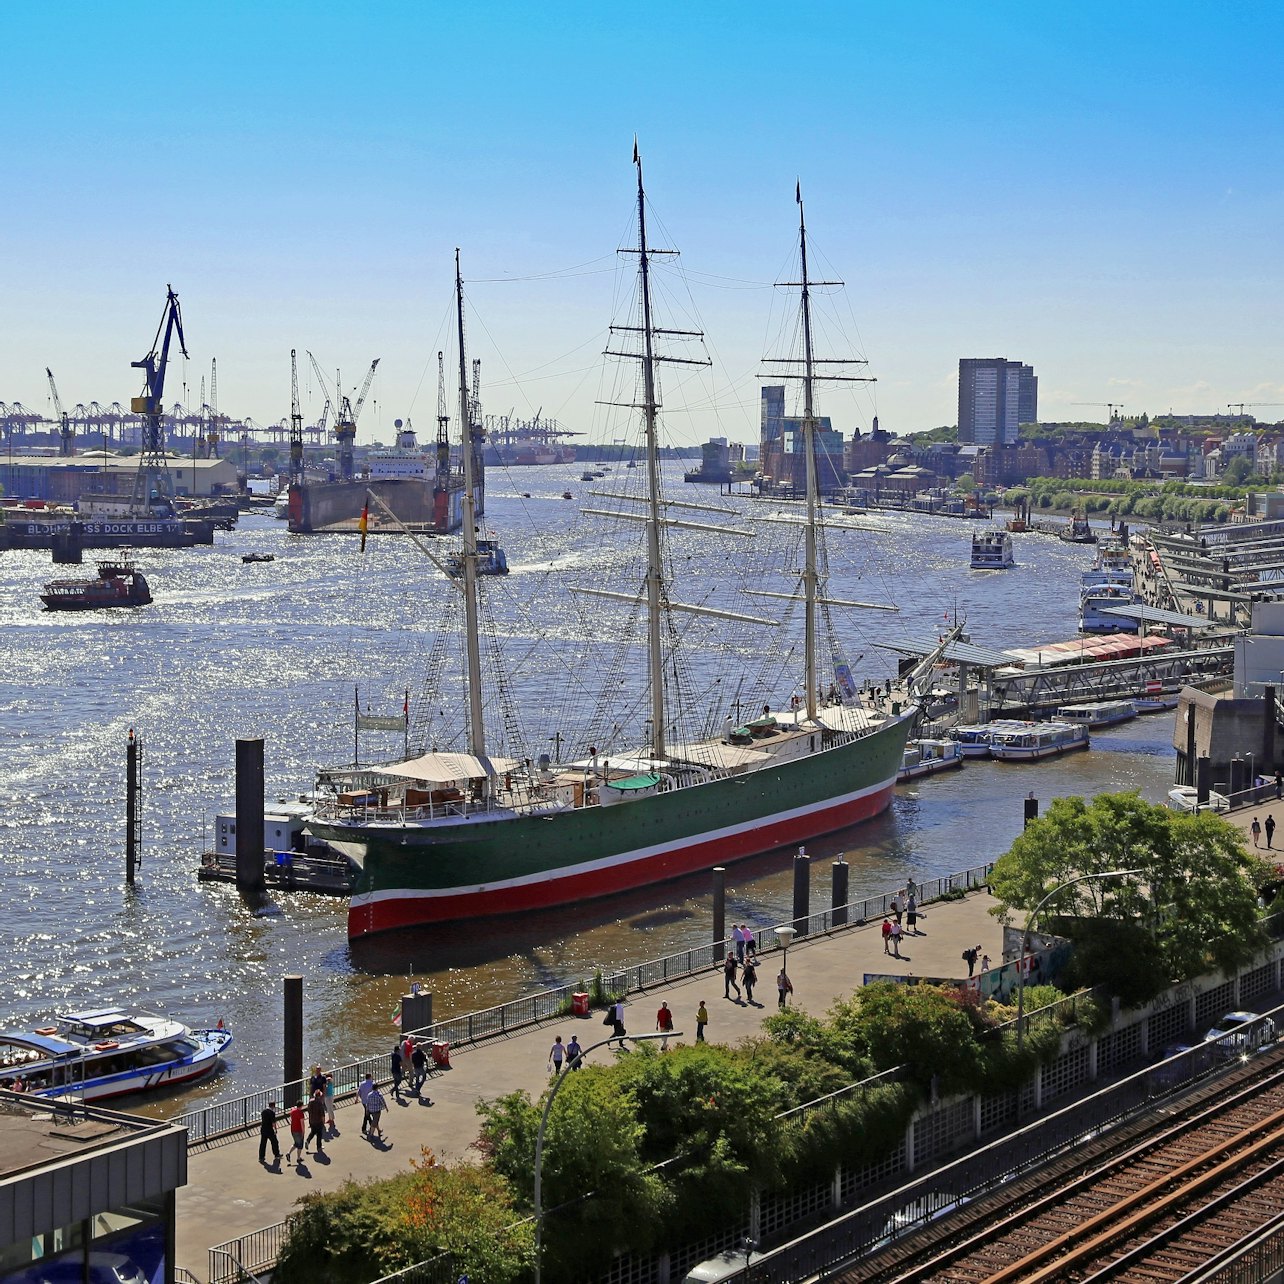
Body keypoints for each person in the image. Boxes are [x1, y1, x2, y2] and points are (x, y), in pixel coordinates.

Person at [258, 1100, 281, 1165]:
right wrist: (275, 1129)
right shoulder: (272, 1113)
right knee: (274, 1142)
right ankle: (276, 1154)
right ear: (273, 1106)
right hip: (269, 1129)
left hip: (263, 1129)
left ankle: (261, 1156)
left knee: (263, 1143)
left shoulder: (263, 1111)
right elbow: (273, 1123)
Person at [306, 1088, 326, 1155]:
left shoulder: (311, 1101)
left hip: (312, 1120)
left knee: (313, 1132)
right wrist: (323, 1122)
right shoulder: (320, 1103)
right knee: (319, 1134)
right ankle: (319, 1147)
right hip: (318, 1121)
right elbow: (322, 1114)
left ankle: (308, 1140)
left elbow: (308, 1110)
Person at [286, 1099, 306, 1165]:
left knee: (296, 1143)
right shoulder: (301, 1113)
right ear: (301, 1106)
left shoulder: (292, 1111)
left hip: (293, 1129)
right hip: (299, 1130)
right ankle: (298, 1158)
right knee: (300, 1145)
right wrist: (303, 1131)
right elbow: (302, 1123)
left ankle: (289, 1153)